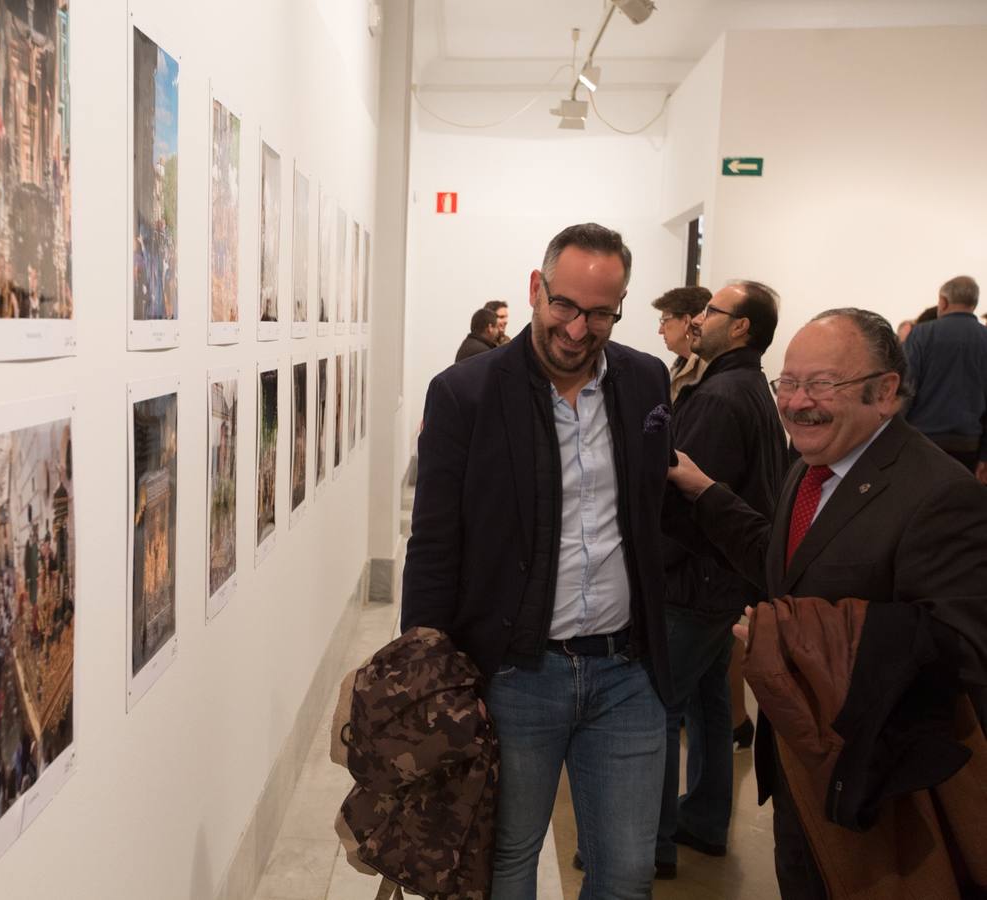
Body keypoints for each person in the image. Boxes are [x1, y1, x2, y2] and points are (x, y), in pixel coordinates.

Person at [666, 308, 987, 899]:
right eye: (787, 383)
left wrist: (791, 634)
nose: (795, 402)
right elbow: (783, 565)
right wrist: (707, 492)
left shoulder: (941, 495)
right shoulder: (813, 467)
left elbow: (959, 648)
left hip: (880, 784)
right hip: (804, 761)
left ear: (885, 392)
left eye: (821, 384)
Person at [404, 223, 674, 899]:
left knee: (627, 872)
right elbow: (434, 543)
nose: (579, 330)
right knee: (507, 860)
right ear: (536, 288)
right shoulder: (465, 393)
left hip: (626, 671)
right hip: (517, 672)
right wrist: (426, 668)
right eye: (565, 306)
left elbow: (653, 513)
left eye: (601, 313)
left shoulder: (646, 381)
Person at [655, 281, 788, 875]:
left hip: (694, 585)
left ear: (740, 328)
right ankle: (704, 821)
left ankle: (648, 843)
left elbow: (682, 499)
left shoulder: (717, 398)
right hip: (724, 581)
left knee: (654, 709)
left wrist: (648, 568)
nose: (699, 318)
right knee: (709, 702)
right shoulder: (750, 387)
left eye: (712, 311)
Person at [902, 276, 987, 482]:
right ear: (973, 303)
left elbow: (905, 390)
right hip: (969, 445)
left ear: (943, 302)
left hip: (921, 441)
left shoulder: (921, 334)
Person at [651, 286, 710, 402]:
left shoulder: (708, 369)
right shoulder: (679, 365)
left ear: (686, 321)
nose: (660, 330)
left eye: (664, 321)